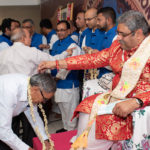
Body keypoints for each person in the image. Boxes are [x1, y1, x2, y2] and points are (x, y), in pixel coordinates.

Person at [38, 10, 150, 149]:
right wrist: (56, 63)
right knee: (87, 107)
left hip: (141, 99)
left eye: (123, 34)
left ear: (138, 34)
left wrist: (137, 101)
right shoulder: (118, 47)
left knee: (105, 119)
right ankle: (84, 144)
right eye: (118, 33)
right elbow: (92, 59)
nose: (118, 37)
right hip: (120, 94)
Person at [0, 27, 73, 147]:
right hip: (7, 97)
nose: (42, 102)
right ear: (23, 38)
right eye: (30, 37)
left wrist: (45, 139)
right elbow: (53, 61)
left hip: (20, 94)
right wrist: (66, 53)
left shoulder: (2, 53)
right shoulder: (31, 52)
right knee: (13, 135)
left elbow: (34, 117)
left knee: (14, 131)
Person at [0, 73, 56, 150]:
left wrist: (44, 139)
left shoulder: (31, 88)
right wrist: (27, 148)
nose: (44, 102)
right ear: (35, 89)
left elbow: (34, 116)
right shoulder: (10, 91)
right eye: (45, 99)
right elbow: (3, 131)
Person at [50, 20, 81, 133]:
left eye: (62, 30)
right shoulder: (55, 44)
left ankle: (71, 131)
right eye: (58, 30)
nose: (60, 32)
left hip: (68, 84)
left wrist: (57, 77)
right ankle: (65, 129)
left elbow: (69, 66)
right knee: (63, 110)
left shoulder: (73, 46)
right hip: (57, 84)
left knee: (70, 111)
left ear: (69, 31)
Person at [82, 7, 117, 99]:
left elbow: (115, 63)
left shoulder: (116, 37)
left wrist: (98, 55)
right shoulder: (106, 34)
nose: (97, 23)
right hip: (101, 78)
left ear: (108, 20)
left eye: (99, 20)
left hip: (111, 80)